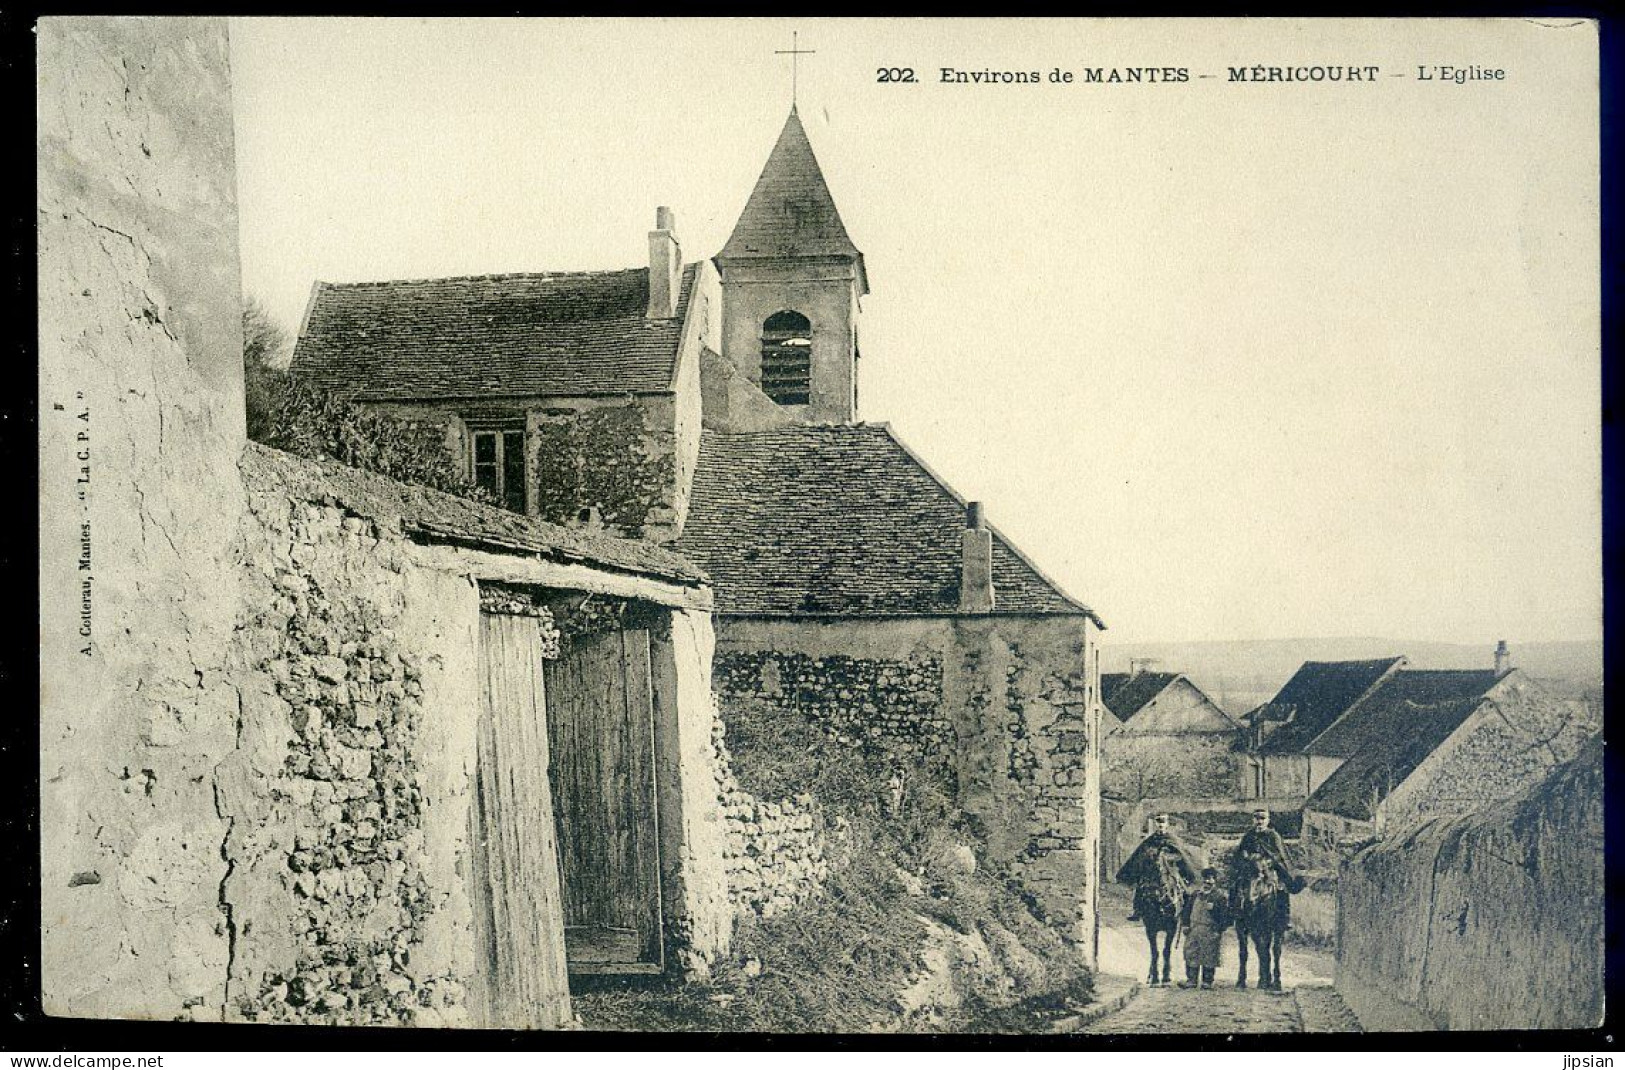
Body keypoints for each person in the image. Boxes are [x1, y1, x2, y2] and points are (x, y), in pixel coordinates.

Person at [1116, 813, 1202, 920]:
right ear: (1156, 824)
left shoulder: (1172, 838)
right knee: (1141, 886)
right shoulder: (1151, 839)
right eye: (1158, 823)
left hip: (1169, 868)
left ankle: (1184, 911)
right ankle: (1138, 911)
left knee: (1178, 883)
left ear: (1167, 824)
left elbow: (1181, 855)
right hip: (1152, 870)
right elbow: (1141, 853)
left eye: (1163, 823)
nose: (1160, 826)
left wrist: (1168, 857)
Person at [1178, 867, 1232, 989]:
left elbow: (1226, 916)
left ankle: (1207, 981)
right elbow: (1187, 910)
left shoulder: (1219, 897)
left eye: (1211, 880)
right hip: (1194, 928)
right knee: (1191, 952)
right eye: (1206, 880)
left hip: (1210, 930)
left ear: (1214, 881)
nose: (1207, 883)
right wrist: (1185, 924)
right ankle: (1191, 980)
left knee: (1209, 955)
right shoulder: (1195, 895)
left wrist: (1218, 926)